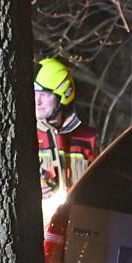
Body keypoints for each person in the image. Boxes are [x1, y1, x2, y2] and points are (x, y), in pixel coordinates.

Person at [35, 56, 98, 215]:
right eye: (35, 92)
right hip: (37, 230)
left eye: (45, 94)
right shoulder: (25, 136)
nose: (37, 101)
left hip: (77, 225)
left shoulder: (88, 138)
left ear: (63, 95)